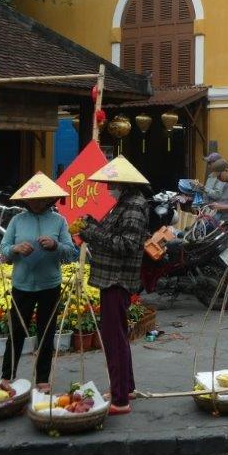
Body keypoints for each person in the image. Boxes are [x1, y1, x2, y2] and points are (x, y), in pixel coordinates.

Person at [80, 156, 150, 416]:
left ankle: (120, 399)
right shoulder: (124, 203)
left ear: (123, 182)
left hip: (117, 278)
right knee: (117, 335)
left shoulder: (133, 205)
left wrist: (92, 233)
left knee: (114, 338)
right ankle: (126, 387)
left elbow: (127, 244)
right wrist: (93, 225)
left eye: (112, 182)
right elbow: (114, 234)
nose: (109, 186)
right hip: (111, 277)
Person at [0, 171, 78, 392]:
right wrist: (16, 248)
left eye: (41, 199)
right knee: (16, 330)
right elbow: (3, 251)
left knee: (46, 332)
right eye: (33, 199)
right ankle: (7, 375)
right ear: (26, 199)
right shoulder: (17, 221)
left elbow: (71, 253)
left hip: (49, 286)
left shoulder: (59, 221)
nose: (37, 203)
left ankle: (42, 379)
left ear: (49, 199)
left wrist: (55, 245)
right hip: (21, 285)